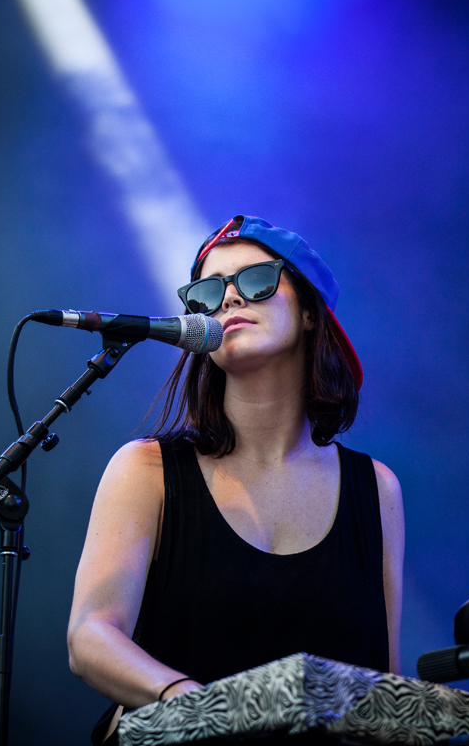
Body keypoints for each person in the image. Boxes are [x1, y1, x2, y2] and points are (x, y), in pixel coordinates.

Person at [67, 216, 405, 744]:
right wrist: (193, 702)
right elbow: (90, 636)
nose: (228, 299)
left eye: (255, 281)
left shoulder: (376, 489)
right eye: (208, 289)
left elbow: (384, 683)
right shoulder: (146, 470)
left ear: (311, 312)